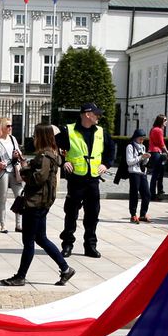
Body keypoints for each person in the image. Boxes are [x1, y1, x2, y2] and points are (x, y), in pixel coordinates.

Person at [1, 123, 75, 287]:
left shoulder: (44, 157)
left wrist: (24, 169)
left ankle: (20, 276)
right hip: (42, 203)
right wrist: (27, 163)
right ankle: (65, 268)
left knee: (29, 241)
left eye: (35, 135)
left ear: (41, 137)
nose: (33, 138)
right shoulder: (51, 155)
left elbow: (36, 179)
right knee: (41, 238)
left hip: (35, 204)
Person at [58, 103, 114, 258]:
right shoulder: (68, 130)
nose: (99, 117)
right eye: (97, 114)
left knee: (92, 214)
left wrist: (106, 164)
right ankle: (67, 244)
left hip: (93, 180)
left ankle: (90, 246)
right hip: (76, 179)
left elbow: (111, 150)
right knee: (71, 213)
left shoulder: (101, 132)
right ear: (88, 114)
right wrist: (63, 162)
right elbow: (52, 146)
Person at [0, 119, 21, 232]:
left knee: (20, 196)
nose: (10, 127)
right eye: (8, 125)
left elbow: (19, 153)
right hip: (3, 172)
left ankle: (18, 225)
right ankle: (3, 225)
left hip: (15, 170)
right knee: (3, 198)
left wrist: (17, 154)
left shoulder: (13, 139)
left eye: (11, 125)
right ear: (2, 126)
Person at [125, 129, 151, 223]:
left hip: (142, 172)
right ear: (136, 137)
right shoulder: (130, 146)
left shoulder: (143, 147)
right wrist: (141, 157)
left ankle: (143, 214)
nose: (142, 140)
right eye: (140, 138)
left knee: (147, 194)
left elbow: (143, 162)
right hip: (134, 172)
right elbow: (129, 162)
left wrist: (146, 159)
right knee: (134, 194)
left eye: (143, 139)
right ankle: (133, 214)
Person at [147, 114, 168, 198]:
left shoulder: (153, 129)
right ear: (161, 121)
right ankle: (153, 193)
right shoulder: (159, 130)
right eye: (165, 120)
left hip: (153, 152)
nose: (166, 122)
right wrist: (167, 152)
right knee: (157, 173)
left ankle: (156, 191)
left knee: (157, 173)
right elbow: (161, 144)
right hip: (157, 152)